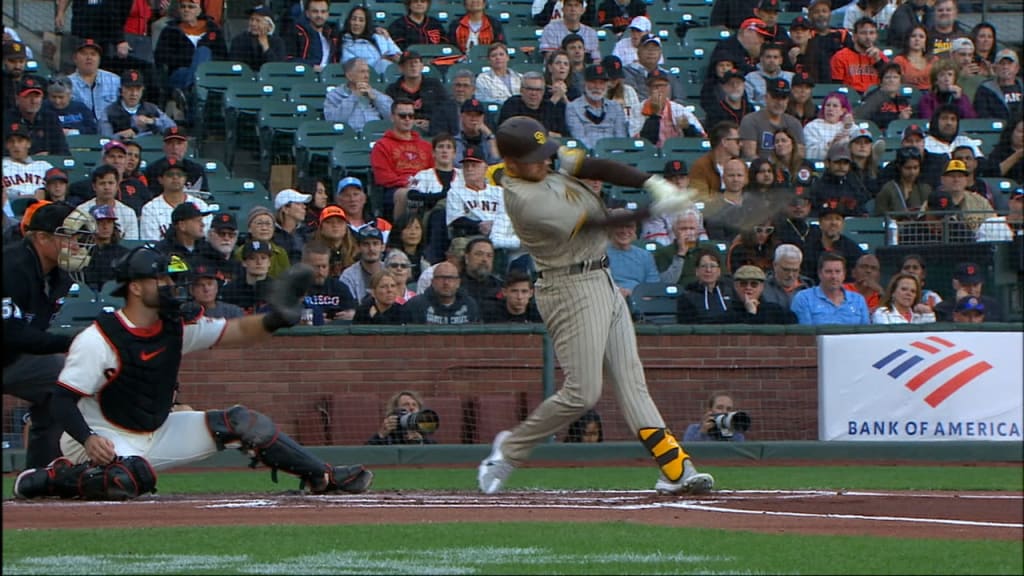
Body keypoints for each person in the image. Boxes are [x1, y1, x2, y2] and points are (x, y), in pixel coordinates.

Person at [13, 246, 374, 501]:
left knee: (243, 421)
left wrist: (276, 317)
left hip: (155, 430)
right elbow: (61, 399)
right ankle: (51, 478)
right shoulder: (99, 337)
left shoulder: (174, 326)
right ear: (136, 288)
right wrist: (89, 439)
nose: (171, 286)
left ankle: (321, 476)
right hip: (99, 438)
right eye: (161, 280)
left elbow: (237, 332)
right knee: (128, 478)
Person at [477, 115, 713, 496]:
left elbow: (589, 164)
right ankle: (508, 450)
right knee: (583, 392)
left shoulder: (536, 166)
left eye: (545, 154)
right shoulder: (526, 200)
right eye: (535, 158)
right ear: (513, 163)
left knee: (632, 383)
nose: (546, 162)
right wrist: (659, 209)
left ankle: (676, 468)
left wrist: (652, 183)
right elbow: (600, 222)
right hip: (569, 289)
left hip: (601, 279)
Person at [3, 203, 95, 468]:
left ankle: (40, 476)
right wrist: (71, 340)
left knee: (64, 384)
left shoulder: (59, 276)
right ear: (42, 238)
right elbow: (11, 333)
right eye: (69, 236)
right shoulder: (10, 267)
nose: (77, 244)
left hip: (13, 358)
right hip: (10, 346)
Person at [154, 0, 228, 117]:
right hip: (179, 74)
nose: (186, 10)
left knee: (204, 51)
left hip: (209, 76)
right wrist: (193, 60)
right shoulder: (170, 30)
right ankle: (193, 89)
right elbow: (161, 57)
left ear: (199, 10)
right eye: (183, 7)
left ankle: (190, 93)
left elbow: (223, 57)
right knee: (201, 54)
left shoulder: (213, 30)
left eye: (191, 7)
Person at [370, 98, 435, 219]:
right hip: (396, 190)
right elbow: (383, 177)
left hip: (426, 188)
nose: (407, 119)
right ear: (392, 117)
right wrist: (410, 183)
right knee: (406, 194)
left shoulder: (426, 146)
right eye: (402, 115)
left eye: (411, 116)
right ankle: (400, 233)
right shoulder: (382, 145)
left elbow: (434, 171)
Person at [384, 50, 459, 138]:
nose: (413, 66)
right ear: (401, 68)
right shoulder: (393, 89)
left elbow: (446, 109)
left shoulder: (434, 85)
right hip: (404, 132)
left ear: (422, 66)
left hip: (435, 133)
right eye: (408, 63)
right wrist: (411, 122)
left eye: (416, 62)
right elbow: (390, 115)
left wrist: (431, 123)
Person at [139, 160, 211, 241]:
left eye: (179, 174)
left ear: (185, 178)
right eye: (170, 175)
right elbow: (151, 245)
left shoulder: (201, 205)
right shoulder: (150, 208)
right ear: (160, 179)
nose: (175, 177)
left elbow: (208, 239)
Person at [790, 252, 869, 325]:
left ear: (844, 274)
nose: (833, 276)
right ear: (819, 273)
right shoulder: (804, 299)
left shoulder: (858, 300)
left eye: (837, 271)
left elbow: (866, 334)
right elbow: (804, 335)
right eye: (828, 271)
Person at [738, 78, 804, 161]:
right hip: (760, 171)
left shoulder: (794, 123)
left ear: (788, 100)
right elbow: (750, 155)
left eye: (783, 98)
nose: (779, 102)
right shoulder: (751, 120)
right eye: (775, 97)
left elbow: (800, 155)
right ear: (766, 97)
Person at [566, 64, 627, 150]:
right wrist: (599, 154)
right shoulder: (573, 107)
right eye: (593, 82)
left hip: (614, 155)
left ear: (607, 85)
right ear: (584, 83)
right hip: (588, 157)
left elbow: (621, 138)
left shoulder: (616, 107)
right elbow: (579, 138)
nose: (597, 87)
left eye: (601, 83)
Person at [323, 58, 394, 133]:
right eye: (362, 72)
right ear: (349, 75)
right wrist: (354, 97)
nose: (367, 76)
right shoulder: (335, 95)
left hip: (377, 135)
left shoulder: (375, 94)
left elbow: (393, 117)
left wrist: (376, 99)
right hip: (349, 137)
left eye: (368, 72)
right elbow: (332, 120)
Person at [101, 69, 176, 140]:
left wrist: (152, 121)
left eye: (138, 89)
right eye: (129, 88)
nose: (134, 93)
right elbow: (105, 138)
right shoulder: (109, 111)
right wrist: (120, 136)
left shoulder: (151, 108)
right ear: (121, 89)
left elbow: (173, 128)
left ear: (142, 90)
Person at [637, 69, 704, 146]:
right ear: (648, 89)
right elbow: (640, 143)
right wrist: (655, 116)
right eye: (655, 86)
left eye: (663, 85)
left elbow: (701, 139)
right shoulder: (637, 109)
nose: (660, 90)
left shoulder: (680, 110)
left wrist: (687, 128)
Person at [75, 163, 141, 241]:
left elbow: (131, 244)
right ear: (94, 187)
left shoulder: (129, 213)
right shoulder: (82, 210)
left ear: (117, 186)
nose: (107, 187)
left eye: (110, 183)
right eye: (102, 183)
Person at [6, 77, 70, 157]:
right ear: (17, 99)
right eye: (28, 96)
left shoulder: (50, 118)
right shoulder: (7, 119)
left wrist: (49, 157)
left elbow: (63, 150)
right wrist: (32, 157)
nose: (33, 101)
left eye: (37, 96)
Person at [402, 260, 481, 324]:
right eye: (441, 278)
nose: (446, 282)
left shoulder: (470, 305)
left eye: (450, 278)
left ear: (458, 283)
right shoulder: (415, 306)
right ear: (433, 282)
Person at [66, 38, 121, 129]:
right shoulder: (67, 83)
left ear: (99, 59)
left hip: (111, 132)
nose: (89, 58)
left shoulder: (114, 80)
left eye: (93, 54)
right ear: (75, 58)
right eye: (84, 54)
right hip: (80, 132)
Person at [301, 239, 357, 324]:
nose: (320, 271)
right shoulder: (294, 289)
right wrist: (317, 318)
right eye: (316, 267)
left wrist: (352, 315)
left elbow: (352, 312)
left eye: (324, 266)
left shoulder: (339, 287)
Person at [605, 209, 659, 298]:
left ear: (635, 229)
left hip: (641, 302)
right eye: (619, 226)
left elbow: (653, 287)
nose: (625, 231)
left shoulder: (645, 256)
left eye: (629, 226)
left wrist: (632, 294)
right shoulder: (600, 255)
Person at [499, 71, 567, 137]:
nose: (534, 93)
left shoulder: (550, 107)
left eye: (538, 89)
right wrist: (545, 134)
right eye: (530, 89)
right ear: (521, 90)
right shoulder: (512, 104)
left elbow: (563, 136)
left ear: (543, 91)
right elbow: (508, 131)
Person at [676, 248, 735, 324]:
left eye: (713, 266)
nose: (708, 270)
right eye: (704, 266)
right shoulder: (686, 297)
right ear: (697, 271)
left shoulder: (730, 293)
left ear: (719, 271)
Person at [831, 17, 887, 95]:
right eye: (863, 33)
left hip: (876, 98)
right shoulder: (840, 57)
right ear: (854, 36)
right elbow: (836, 86)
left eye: (871, 33)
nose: (868, 37)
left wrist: (879, 61)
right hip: (849, 99)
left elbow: (889, 81)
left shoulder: (880, 56)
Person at [339, 5, 400, 77]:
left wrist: (390, 58)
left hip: (391, 75)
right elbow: (352, 68)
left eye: (361, 20)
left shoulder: (380, 36)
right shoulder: (346, 44)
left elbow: (399, 57)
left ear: (366, 23)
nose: (357, 23)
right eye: (354, 19)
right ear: (349, 21)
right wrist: (383, 60)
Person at [725, 264, 797, 324]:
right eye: (743, 284)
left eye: (754, 284)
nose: (748, 287)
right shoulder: (728, 314)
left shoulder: (774, 311)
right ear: (736, 286)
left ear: (762, 287)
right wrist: (751, 313)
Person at [802, 0, 853, 84]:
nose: (821, 14)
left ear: (830, 14)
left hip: (842, 78)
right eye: (816, 12)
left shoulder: (842, 34)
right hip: (815, 79)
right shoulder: (807, 35)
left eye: (824, 11)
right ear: (810, 16)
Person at [932, 262, 1002, 322]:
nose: (972, 290)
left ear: (981, 284)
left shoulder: (992, 305)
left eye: (975, 285)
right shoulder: (942, 308)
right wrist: (960, 304)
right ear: (955, 284)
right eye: (966, 285)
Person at [81, 204, 129, 292]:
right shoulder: (81, 252)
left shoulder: (124, 254)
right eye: (100, 222)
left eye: (109, 222)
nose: (105, 227)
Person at [283, 0, 340, 72]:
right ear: (307, 13)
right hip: (305, 77)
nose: (319, 15)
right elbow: (288, 59)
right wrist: (311, 67)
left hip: (330, 78)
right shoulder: (296, 32)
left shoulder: (333, 33)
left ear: (327, 14)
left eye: (323, 12)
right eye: (315, 11)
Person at [3, 121, 53, 203]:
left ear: (28, 144)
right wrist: (22, 196)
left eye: (20, 141)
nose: (15, 145)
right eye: (11, 141)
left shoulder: (43, 166)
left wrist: (45, 191)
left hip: (41, 210)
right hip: (11, 210)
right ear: (7, 145)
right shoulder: (3, 165)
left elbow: (59, 188)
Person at [874, 147, 932, 217]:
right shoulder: (888, 189)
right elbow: (880, 215)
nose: (912, 172)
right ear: (899, 167)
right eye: (908, 168)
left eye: (915, 168)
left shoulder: (926, 189)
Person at [855, 64, 913, 133]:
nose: (891, 80)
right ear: (881, 82)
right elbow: (868, 120)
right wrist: (897, 118)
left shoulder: (903, 101)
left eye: (895, 77)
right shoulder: (873, 98)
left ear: (900, 82)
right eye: (887, 77)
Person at [229, 7, 288, 72]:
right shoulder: (238, 40)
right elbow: (234, 66)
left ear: (269, 25)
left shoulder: (278, 42)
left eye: (258, 20)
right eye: (252, 19)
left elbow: (277, 69)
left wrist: (266, 47)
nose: (253, 24)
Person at [367, 391, 435, 445]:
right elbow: (365, 456)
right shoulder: (389, 434)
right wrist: (381, 435)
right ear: (395, 411)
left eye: (414, 405)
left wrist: (420, 443)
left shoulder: (424, 432)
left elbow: (436, 456)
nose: (411, 408)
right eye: (406, 404)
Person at [803, 91, 856, 161]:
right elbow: (809, 153)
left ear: (843, 111)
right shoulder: (812, 126)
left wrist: (847, 128)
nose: (830, 109)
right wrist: (830, 145)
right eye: (828, 105)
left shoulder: (851, 127)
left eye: (835, 106)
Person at [974, 49, 1022, 124]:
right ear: (995, 68)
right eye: (1002, 63)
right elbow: (983, 117)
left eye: (1009, 63)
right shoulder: (985, 90)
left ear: (1017, 68)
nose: (1005, 67)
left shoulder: (1022, 86)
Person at [195, 211, 244, 285]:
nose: (226, 238)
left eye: (231, 234)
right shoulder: (198, 261)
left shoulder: (239, 266)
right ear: (210, 235)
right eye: (221, 233)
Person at [871, 272, 935, 325]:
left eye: (913, 291)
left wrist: (928, 312)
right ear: (893, 292)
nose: (908, 294)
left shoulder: (919, 316)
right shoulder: (882, 313)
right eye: (904, 289)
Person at [341, 227, 386, 301]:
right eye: (366, 244)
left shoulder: (391, 271)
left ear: (383, 247)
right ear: (358, 247)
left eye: (375, 243)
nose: (371, 248)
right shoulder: (348, 276)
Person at [760, 243, 811, 309]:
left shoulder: (809, 286)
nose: (790, 275)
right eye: (786, 270)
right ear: (775, 265)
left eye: (795, 270)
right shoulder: (761, 287)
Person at [744, 43, 793, 109]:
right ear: (761, 59)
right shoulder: (750, 78)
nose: (772, 60)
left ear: (781, 60)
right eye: (768, 57)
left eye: (775, 57)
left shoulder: (791, 77)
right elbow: (748, 102)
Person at [272, 188, 311, 265]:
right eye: (298, 203)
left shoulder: (306, 234)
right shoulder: (271, 236)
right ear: (286, 209)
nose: (304, 207)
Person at [386, 212, 429, 282]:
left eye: (417, 228)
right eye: (408, 228)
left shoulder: (425, 258)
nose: (413, 232)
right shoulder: (392, 257)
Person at [892, 25, 935, 91]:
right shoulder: (899, 60)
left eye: (921, 37)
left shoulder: (934, 60)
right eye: (913, 36)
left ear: (926, 41)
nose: (917, 39)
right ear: (907, 39)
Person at [986, 118, 1023, 185]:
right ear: (1011, 132)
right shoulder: (1000, 151)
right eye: (1021, 132)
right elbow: (993, 174)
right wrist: (1017, 155)